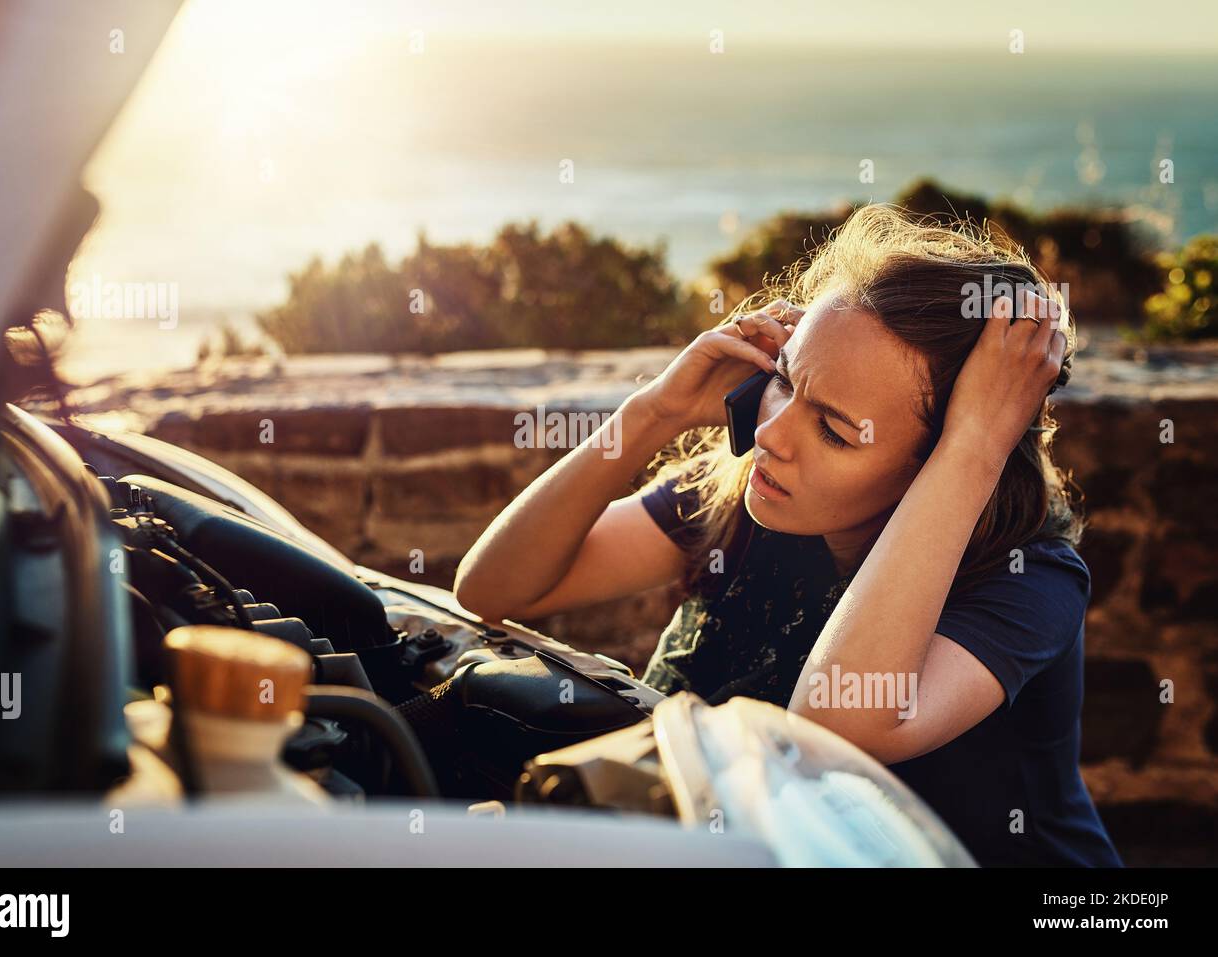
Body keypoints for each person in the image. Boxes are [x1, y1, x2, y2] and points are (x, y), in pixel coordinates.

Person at [455, 205, 1121, 866]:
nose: (772, 433)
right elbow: (492, 586)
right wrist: (653, 411)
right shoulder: (758, 495)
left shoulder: (1030, 581)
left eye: (833, 429)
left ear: (940, 463)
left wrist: (976, 442)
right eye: (783, 381)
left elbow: (827, 728)